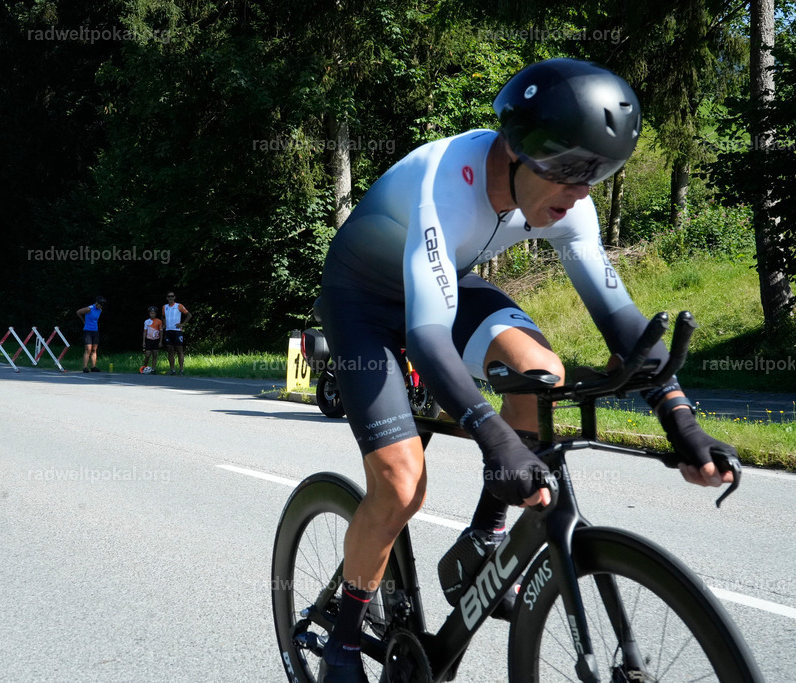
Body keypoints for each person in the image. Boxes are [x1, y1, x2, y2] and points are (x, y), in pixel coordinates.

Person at [315, 58, 738, 683]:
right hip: (363, 301)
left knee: (540, 372)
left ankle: (483, 542)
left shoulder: (572, 203)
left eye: (600, 174)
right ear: (514, 149)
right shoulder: (447, 182)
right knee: (402, 486)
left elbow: (622, 323)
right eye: (569, 172)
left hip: (443, 284)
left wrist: (681, 419)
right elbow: (426, 340)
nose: (579, 194)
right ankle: (343, 642)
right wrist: (495, 437)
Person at [162, 292, 192, 375]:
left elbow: (189, 315)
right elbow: (163, 316)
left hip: (177, 331)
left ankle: (181, 369)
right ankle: (172, 370)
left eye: (172, 296)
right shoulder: (164, 307)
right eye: (169, 296)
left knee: (179, 350)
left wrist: (183, 324)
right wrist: (164, 324)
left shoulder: (179, 306)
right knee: (170, 351)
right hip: (168, 331)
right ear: (167, 298)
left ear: (174, 297)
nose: (170, 297)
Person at [77, 296, 105, 372]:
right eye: (100, 305)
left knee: (94, 349)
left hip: (95, 331)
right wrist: (83, 321)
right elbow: (78, 312)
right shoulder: (89, 309)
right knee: (88, 349)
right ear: (97, 303)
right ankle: (85, 367)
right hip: (87, 330)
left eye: (101, 306)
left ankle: (93, 367)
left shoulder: (100, 310)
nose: (100, 307)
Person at [142, 306, 163, 371]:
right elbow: (145, 332)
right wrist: (144, 341)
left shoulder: (159, 321)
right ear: (149, 313)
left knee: (155, 355)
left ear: (156, 314)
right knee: (147, 355)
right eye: (151, 313)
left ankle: (153, 369)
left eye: (154, 313)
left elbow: (161, 332)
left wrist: (160, 341)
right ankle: (144, 368)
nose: (152, 314)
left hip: (156, 340)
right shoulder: (146, 321)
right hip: (149, 340)